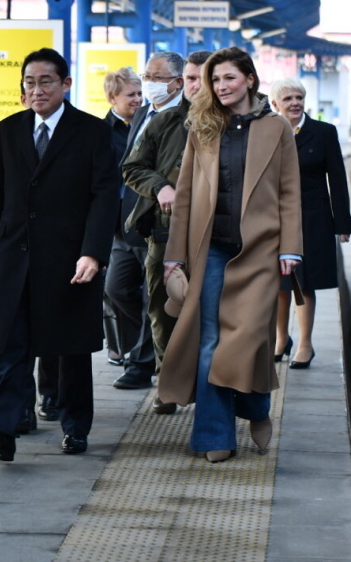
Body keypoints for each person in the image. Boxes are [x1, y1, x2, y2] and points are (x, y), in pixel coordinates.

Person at [0, 47, 118, 462]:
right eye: (29, 82)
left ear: (66, 84)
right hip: (15, 258)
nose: (37, 90)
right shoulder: (9, 129)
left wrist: (93, 253)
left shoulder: (90, 132)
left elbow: (104, 198)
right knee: (13, 344)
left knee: (69, 347)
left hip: (71, 261)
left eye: (46, 81)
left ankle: (75, 427)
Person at [158, 47, 302, 463]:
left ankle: (255, 407)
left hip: (260, 250)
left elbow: (290, 194)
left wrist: (292, 247)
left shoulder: (278, 130)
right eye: (214, 80)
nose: (220, 87)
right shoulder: (201, 128)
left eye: (228, 79)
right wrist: (175, 255)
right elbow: (183, 196)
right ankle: (213, 436)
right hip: (211, 251)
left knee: (251, 340)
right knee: (211, 343)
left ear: (250, 80)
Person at [123, 49, 209, 414]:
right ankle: (168, 383)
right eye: (189, 79)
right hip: (165, 232)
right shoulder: (164, 121)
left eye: (200, 80)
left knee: (212, 312)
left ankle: (210, 385)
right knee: (163, 309)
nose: (194, 86)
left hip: (218, 236)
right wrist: (160, 187)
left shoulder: (243, 123)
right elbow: (131, 167)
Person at [270, 79, 351, 368]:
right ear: (275, 104)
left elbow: (338, 179)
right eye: (288, 98)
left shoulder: (324, 133)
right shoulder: (268, 133)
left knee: (304, 284)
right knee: (278, 283)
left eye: (299, 97)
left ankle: (305, 344)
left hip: (313, 218)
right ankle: (281, 338)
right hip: (275, 218)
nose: (295, 103)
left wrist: (343, 224)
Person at [99, 67, 153, 391]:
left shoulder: (151, 123)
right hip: (117, 228)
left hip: (146, 223)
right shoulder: (101, 132)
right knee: (116, 289)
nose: (137, 100)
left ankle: (141, 360)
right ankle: (140, 349)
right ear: (112, 98)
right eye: (130, 95)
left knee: (151, 296)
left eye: (139, 93)